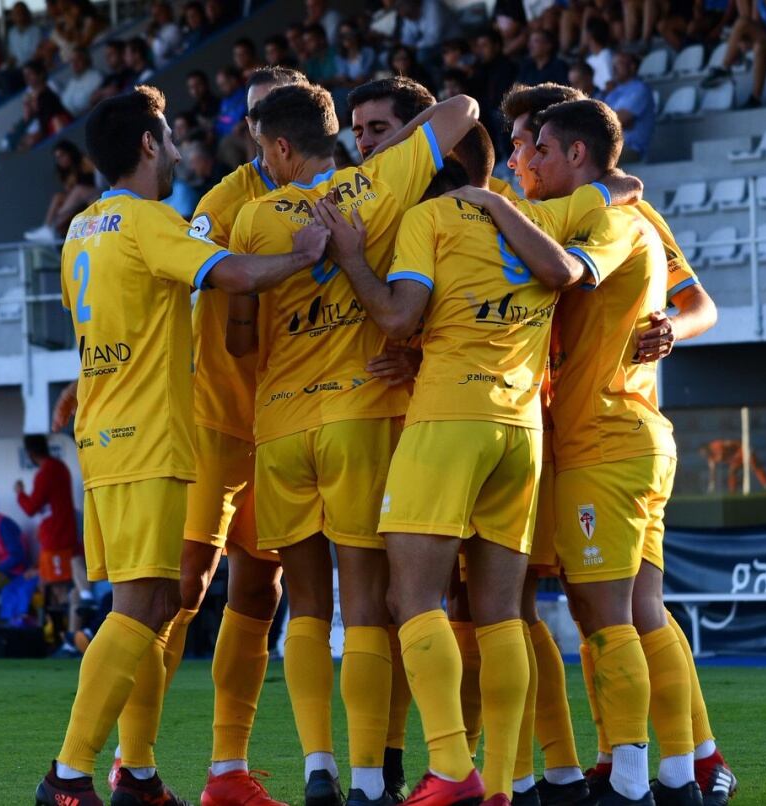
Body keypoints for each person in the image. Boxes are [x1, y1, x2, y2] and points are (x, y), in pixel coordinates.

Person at [34, 84, 328, 806]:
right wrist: (305, 254)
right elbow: (232, 272)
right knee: (139, 606)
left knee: (159, 600)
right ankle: (68, 777)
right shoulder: (146, 220)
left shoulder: (82, 228)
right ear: (145, 145)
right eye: (167, 141)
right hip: (147, 437)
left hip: (104, 434)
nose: (174, 153)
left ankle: (137, 774)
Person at [313, 121, 618, 806]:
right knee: (500, 612)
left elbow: (397, 315)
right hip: (520, 432)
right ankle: (508, 783)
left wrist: (354, 257)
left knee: (410, 597)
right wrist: (497, 199)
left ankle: (452, 767)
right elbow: (607, 200)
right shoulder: (539, 216)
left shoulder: (429, 217)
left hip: (448, 420)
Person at [225, 83, 478, 806]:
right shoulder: (376, 182)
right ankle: (371, 778)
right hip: (362, 415)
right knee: (366, 607)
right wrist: (392, 158)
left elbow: (238, 336)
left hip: (278, 425)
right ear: (335, 134)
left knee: (305, 608)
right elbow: (462, 109)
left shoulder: (250, 215)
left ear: (277, 147)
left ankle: (318, 768)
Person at [499, 82, 731, 806]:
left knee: (586, 609)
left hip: (599, 427)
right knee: (623, 607)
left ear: (568, 150)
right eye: (512, 145)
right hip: (581, 428)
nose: (518, 158)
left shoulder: (618, 214)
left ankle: (658, 767)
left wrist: (672, 329)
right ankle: (662, 761)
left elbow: (699, 305)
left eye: (529, 143)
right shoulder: (585, 206)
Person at [15, 434, 79, 618]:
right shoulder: (60, 467)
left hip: (57, 540)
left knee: (57, 589)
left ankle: (63, 634)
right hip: (59, 536)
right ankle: (55, 632)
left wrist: (20, 493)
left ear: (30, 453)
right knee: (46, 584)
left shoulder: (46, 472)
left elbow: (31, 508)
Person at [702, 0, 766, 109]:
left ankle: (755, 98)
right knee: (743, 22)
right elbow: (757, 26)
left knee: (759, 47)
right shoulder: (760, 2)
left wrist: (754, 44)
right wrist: (746, 41)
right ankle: (724, 68)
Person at [25, 140, 99, 242]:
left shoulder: (83, 161)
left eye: (62, 155)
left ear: (70, 153)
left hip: (95, 193)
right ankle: (47, 227)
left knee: (79, 190)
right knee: (58, 197)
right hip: (79, 201)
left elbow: (99, 175)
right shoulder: (65, 173)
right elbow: (69, 193)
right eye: (57, 158)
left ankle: (56, 223)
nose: (60, 160)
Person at [604, 52, 656, 162]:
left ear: (632, 67)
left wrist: (614, 121)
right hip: (612, 147)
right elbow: (604, 120)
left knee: (594, 158)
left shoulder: (640, 89)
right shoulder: (613, 92)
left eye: (619, 64)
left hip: (632, 149)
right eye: (613, 64)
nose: (614, 68)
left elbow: (618, 120)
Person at [60, 46, 103, 118]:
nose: (74, 64)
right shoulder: (72, 82)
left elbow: (84, 104)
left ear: (86, 59)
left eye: (78, 59)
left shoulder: (96, 76)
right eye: (72, 61)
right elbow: (64, 105)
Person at [5, 1, 44, 69]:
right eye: (16, 13)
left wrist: (26, 67)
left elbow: (36, 55)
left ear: (26, 13)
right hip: (18, 68)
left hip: (32, 67)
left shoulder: (35, 31)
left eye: (21, 12)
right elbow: (13, 56)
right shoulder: (12, 33)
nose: (19, 15)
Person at [150, 1, 183, 67]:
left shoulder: (174, 29)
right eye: (154, 15)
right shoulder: (159, 31)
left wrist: (152, 39)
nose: (156, 17)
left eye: (159, 13)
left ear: (167, 11)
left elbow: (162, 52)